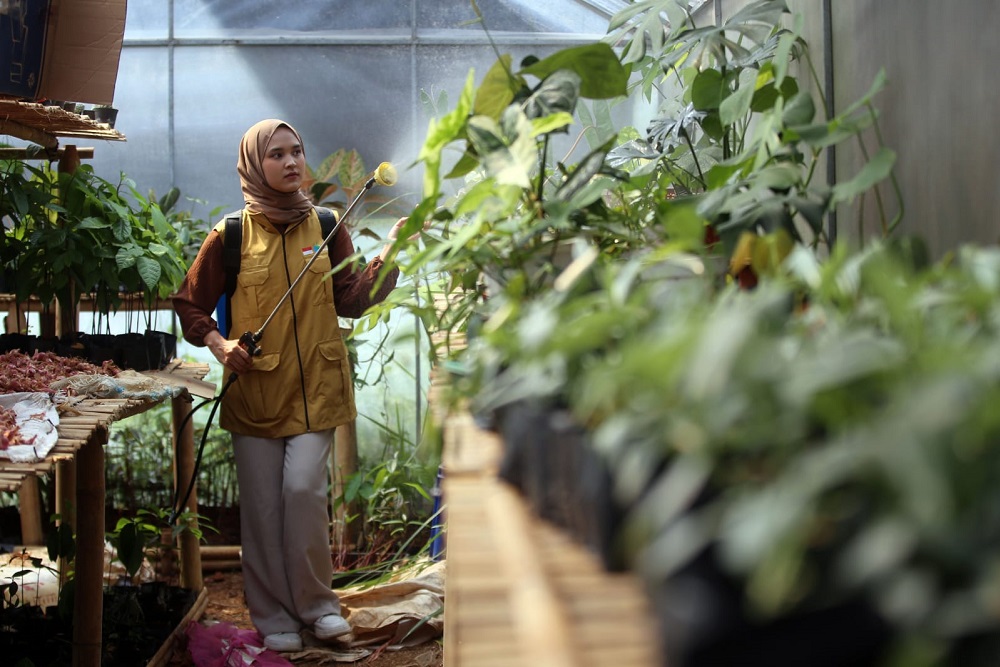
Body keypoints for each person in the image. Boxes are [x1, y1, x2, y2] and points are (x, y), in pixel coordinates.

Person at [173, 118, 406, 653]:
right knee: (261, 507)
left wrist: (391, 250)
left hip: (317, 388)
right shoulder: (230, 235)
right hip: (256, 392)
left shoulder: (326, 224)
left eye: (297, 150)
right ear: (256, 164)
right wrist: (219, 345)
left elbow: (350, 298)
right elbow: (189, 304)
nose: (291, 161)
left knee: (303, 491)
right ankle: (273, 614)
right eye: (276, 154)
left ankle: (319, 608)